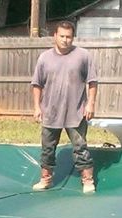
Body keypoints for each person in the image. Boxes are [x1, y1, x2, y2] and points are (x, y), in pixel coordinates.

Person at [30, 20, 98, 194]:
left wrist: (90, 103)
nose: (65, 40)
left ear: (73, 37)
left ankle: (88, 181)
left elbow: (92, 81)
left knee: (80, 147)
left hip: (76, 111)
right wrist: (37, 107)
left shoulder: (83, 55)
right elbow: (37, 84)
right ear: (55, 36)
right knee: (47, 148)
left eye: (69, 37)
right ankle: (45, 180)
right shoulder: (44, 58)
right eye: (62, 36)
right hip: (51, 111)